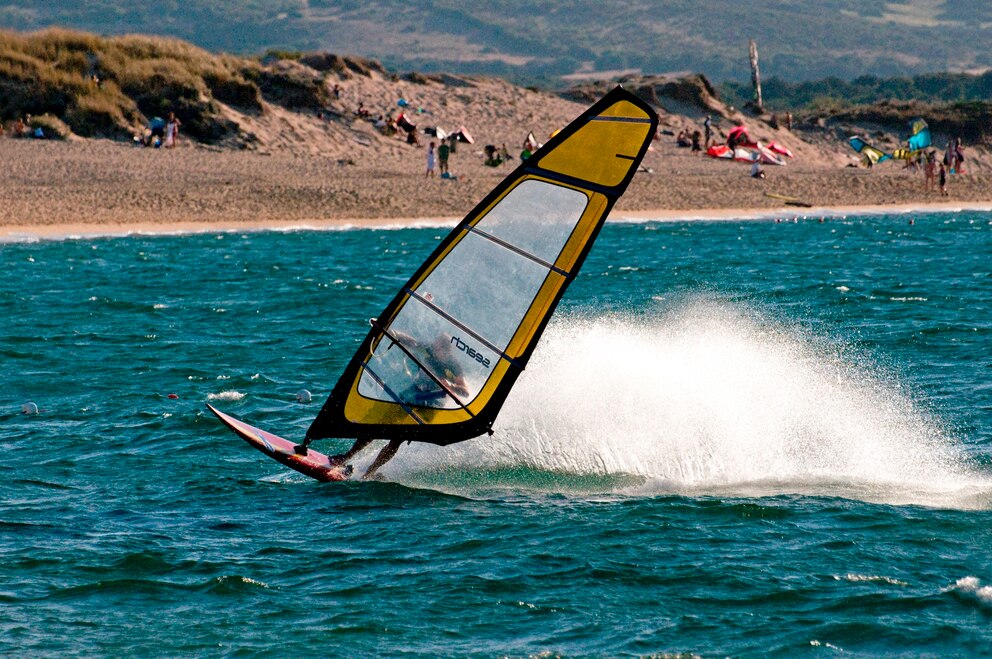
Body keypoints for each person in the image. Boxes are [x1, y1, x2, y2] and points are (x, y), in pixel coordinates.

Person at [295, 331, 468, 479]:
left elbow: (464, 391)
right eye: (435, 345)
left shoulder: (452, 365)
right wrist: (391, 332)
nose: (434, 348)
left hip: (429, 406)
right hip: (412, 394)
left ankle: (370, 472)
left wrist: (450, 385)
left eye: (439, 347)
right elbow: (411, 342)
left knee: (396, 440)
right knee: (376, 426)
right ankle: (345, 458)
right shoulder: (429, 349)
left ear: (446, 351)